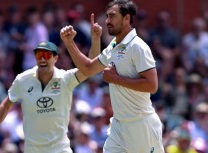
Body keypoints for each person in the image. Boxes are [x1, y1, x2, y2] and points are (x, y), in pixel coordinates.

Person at [0, 13, 102, 153]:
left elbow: (91, 68)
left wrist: (95, 39)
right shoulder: (23, 79)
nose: (42, 59)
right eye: (39, 55)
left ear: (56, 58)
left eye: (46, 55)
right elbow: (5, 105)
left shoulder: (65, 79)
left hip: (60, 149)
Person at [60, 0, 165, 152]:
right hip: (118, 125)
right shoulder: (113, 46)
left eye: (112, 16)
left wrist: (115, 79)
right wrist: (69, 43)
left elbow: (152, 85)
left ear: (126, 18)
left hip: (141, 125)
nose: (107, 21)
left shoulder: (138, 46)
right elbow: (88, 68)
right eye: (107, 17)